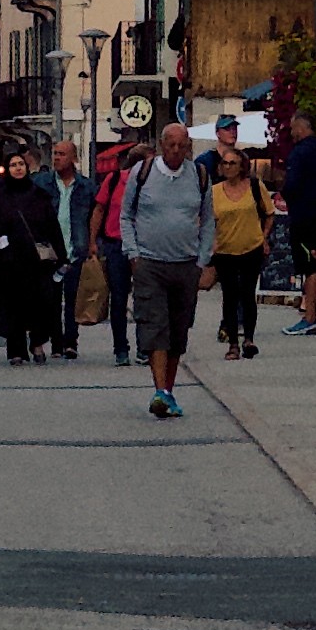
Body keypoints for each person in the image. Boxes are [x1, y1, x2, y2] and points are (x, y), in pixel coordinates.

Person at [121, 116, 217, 417]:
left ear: (188, 147)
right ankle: (160, 390)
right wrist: (133, 254)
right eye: (171, 145)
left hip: (186, 264)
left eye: (182, 146)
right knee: (154, 326)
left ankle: (168, 391)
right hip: (149, 263)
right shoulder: (143, 172)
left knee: (178, 330)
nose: (176, 151)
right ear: (161, 146)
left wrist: (202, 260)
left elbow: (208, 220)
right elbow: (126, 215)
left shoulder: (199, 175)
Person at [0, 147, 63, 363]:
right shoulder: (1, 198)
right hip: (9, 263)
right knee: (12, 306)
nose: (17, 169)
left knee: (39, 304)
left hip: (37, 262)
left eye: (20, 165)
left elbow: (52, 227)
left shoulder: (39, 195)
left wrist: (61, 256)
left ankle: (37, 344)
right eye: (13, 165)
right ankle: (15, 350)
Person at [204, 116, 271, 358]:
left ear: (242, 166)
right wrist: (209, 244)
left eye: (234, 163)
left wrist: (264, 237)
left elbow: (269, 213)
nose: (230, 167)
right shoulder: (213, 192)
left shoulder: (254, 186)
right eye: (226, 164)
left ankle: (249, 339)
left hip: (251, 246)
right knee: (230, 297)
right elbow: (205, 220)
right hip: (225, 249)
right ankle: (233, 342)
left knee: (248, 295)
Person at [278, 108, 316, 336]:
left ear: (302, 127)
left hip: (305, 216)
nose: (292, 133)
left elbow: (292, 186)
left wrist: (289, 198)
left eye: (293, 128)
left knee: (309, 267)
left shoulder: (299, 153)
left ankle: (309, 316)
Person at [91, 140, 138, 366]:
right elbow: (99, 209)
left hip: (143, 246)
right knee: (118, 298)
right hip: (116, 245)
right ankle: (121, 348)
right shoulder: (115, 180)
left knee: (144, 298)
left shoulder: (151, 185)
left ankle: (145, 347)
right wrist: (92, 241)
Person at [46, 137, 93, 356]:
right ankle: (56, 342)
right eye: (55, 153)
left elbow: (94, 217)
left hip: (76, 250)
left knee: (74, 299)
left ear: (73, 158)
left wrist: (94, 244)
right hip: (51, 252)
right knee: (52, 300)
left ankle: (70, 342)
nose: (56, 158)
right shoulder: (43, 184)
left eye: (61, 154)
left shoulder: (86, 187)